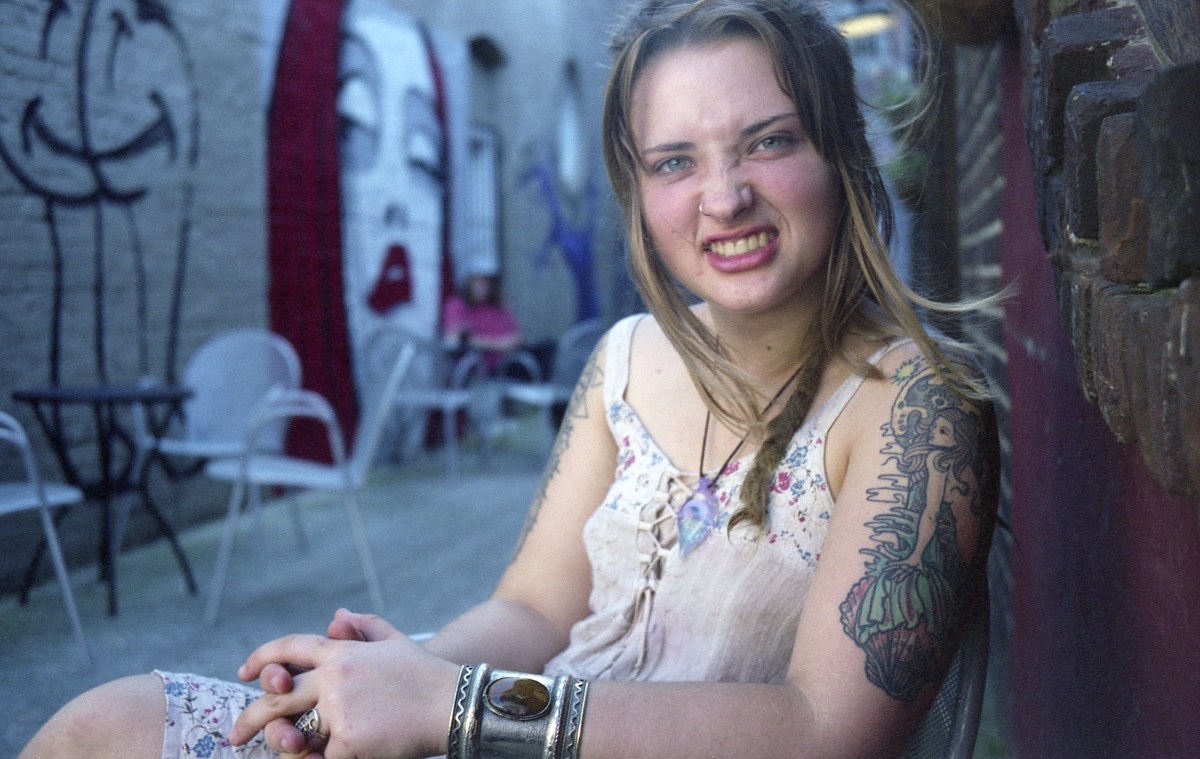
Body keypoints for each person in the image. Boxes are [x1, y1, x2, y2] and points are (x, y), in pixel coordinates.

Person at [18, 1, 1000, 757]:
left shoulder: (919, 405)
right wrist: (387, 676)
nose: (723, 196)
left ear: (841, 152)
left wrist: (455, 703)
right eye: (674, 162)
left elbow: (824, 730)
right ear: (637, 190)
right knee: (104, 726)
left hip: (504, 731)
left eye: (770, 141)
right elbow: (533, 609)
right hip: (494, 733)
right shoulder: (626, 358)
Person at [442, 272, 524, 370]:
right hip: (471, 369)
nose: (483, 287)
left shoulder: (499, 307)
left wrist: (482, 342)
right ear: (468, 282)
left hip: (504, 367)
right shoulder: (456, 305)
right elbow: (455, 337)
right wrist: (500, 344)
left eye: (487, 282)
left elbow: (518, 339)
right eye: (478, 282)